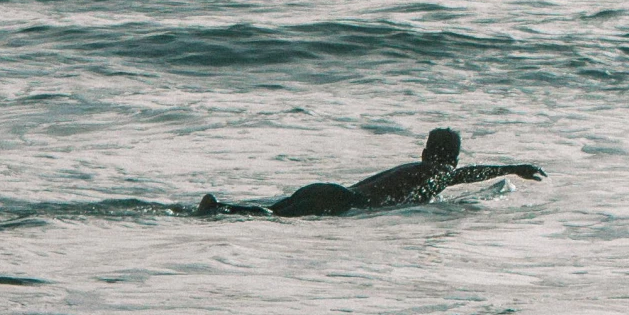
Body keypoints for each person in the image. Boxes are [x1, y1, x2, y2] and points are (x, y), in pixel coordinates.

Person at [196, 128, 544, 218]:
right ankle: (220, 209)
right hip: (343, 200)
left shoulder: (412, 167)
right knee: (272, 215)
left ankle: (220, 207)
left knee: (272, 212)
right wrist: (513, 169)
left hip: (331, 190)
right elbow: (465, 175)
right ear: (451, 159)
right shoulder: (436, 173)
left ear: (423, 151)